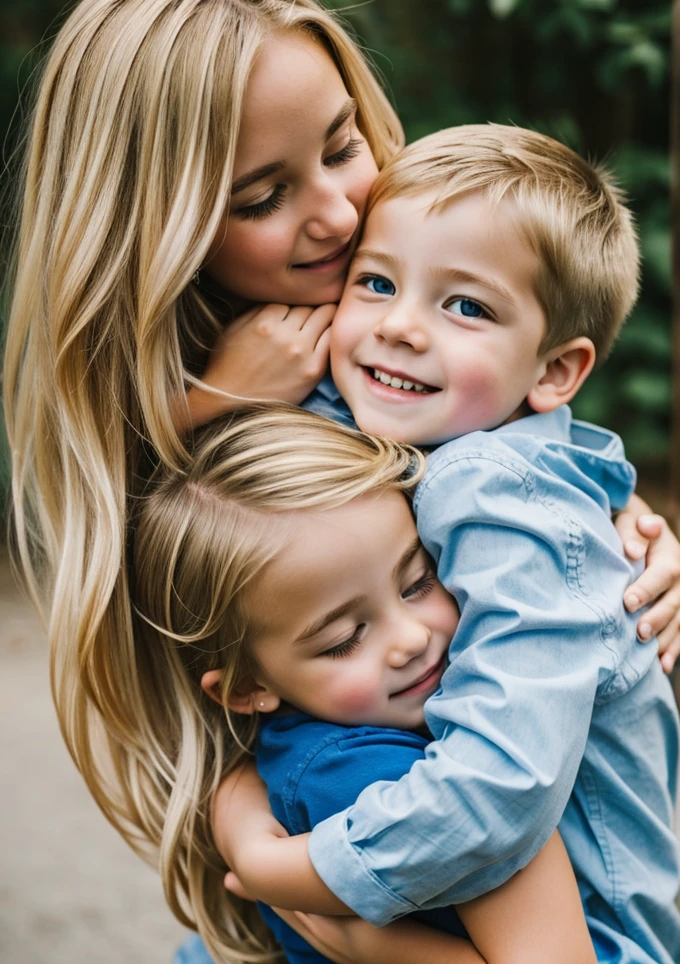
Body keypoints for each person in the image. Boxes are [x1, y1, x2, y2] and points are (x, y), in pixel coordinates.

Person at [2, 0, 679, 958]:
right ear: (155, 232)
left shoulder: (415, 353)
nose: (333, 211)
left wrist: (614, 527)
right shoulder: (204, 445)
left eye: (340, 145)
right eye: (259, 196)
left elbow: (519, 471)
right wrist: (199, 407)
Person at [214, 127, 680, 964]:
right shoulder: (439, 421)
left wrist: (284, 865)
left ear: (551, 374)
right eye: (378, 281)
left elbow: (503, 783)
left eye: (465, 305)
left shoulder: (491, 488)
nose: (400, 327)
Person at [133, 402, 597, 964]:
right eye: (345, 639)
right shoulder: (418, 785)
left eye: (418, 580)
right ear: (244, 689)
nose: (409, 638)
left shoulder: (292, 751)